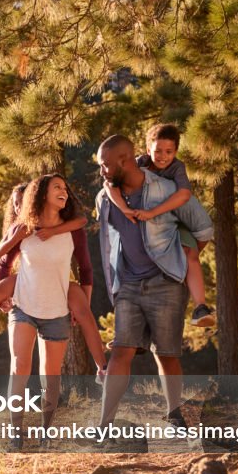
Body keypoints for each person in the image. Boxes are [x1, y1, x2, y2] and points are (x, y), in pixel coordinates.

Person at [95, 135, 214, 428]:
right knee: (121, 351)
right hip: (128, 286)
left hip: (166, 285)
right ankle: (104, 424)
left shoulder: (167, 190)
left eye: (105, 165)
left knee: (167, 354)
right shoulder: (104, 199)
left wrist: (183, 260)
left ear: (123, 161)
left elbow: (204, 228)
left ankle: (175, 414)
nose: (102, 171)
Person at [0, 185, 108, 382]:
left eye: (22, 203)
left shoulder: (67, 227)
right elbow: (3, 261)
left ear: (34, 201)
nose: (18, 208)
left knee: (84, 313)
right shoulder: (21, 229)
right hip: (28, 281)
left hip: (60, 282)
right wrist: (4, 296)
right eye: (15, 205)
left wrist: (54, 230)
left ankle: (103, 368)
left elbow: (81, 224)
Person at [103, 124, 215, 327]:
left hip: (175, 221)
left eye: (169, 152)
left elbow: (184, 195)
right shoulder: (140, 164)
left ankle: (200, 307)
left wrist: (152, 212)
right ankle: (127, 329)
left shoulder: (176, 168)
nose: (163, 156)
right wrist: (124, 209)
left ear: (176, 152)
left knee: (190, 256)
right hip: (150, 225)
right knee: (128, 264)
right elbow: (110, 184)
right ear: (147, 150)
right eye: (157, 151)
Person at [1, 174, 81, 449]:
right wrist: (2, 292)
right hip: (24, 306)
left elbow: (86, 268)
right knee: (20, 367)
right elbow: (3, 259)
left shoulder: (71, 228)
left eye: (64, 188)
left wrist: (80, 304)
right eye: (56, 187)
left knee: (50, 373)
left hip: (57, 308)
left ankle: (47, 431)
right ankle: (16, 433)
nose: (63, 192)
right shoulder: (23, 229)